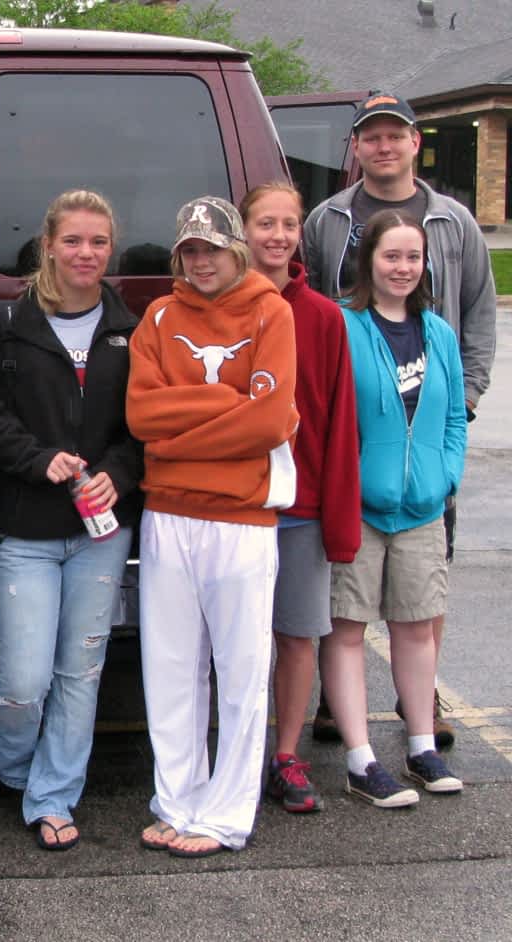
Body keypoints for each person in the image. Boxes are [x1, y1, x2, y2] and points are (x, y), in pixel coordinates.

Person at [304, 92, 496, 747]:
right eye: (371, 137)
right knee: (348, 587)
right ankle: (339, 702)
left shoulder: (453, 221)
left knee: (423, 585)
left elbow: (478, 314)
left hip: (427, 435)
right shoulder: (328, 219)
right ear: (355, 147)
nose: (383, 147)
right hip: (358, 443)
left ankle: (426, 700)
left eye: (395, 136)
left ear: (416, 143)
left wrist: (464, 400)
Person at [0, 190, 141, 851]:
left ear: (109, 248)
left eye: (98, 242)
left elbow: (143, 428)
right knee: (25, 680)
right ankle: (16, 769)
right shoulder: (8, 324)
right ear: (47, 246)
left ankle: (53, 794)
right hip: (25, 531)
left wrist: (115, 476)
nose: (85, 253)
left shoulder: (130, 330)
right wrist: (38, 460)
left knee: (79, 673)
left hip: (101, 532)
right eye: (73, 241)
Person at [126, 196, 298, 858]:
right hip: (170, 512)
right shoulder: (160, 316)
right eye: (190, 250)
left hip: (242, 519)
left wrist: (185, 429)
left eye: (213, 249)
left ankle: (226, 815)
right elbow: (143, 418)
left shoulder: (269, 311)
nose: (201, 261)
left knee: (241, 667)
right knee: (169, 667)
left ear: (238, 251)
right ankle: (177, 801)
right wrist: (229, 402)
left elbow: (269, 418)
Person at [323, 209, 467, 808]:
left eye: (413, 257)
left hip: (421, 510)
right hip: (359, 509)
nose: (403, 267)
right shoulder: (344, 326)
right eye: (391, 256)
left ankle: (420, 745)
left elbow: (455, 416)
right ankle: (360, 758)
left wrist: (445, 476)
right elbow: (329, 415)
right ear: (369, 261)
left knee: (415, 630)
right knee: (348, 631)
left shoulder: (439, 334)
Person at [238, 183, 361, 815]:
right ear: (245, 229)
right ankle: (230, 753)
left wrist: (339, 522)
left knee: (295, 637)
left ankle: (285, 755)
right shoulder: (222, 309)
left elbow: (340, 424)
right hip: (234, 506)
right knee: (229, 641)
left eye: (288, 224)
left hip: (301, 508)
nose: (278, 235)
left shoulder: (323, 317)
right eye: (265, 223)